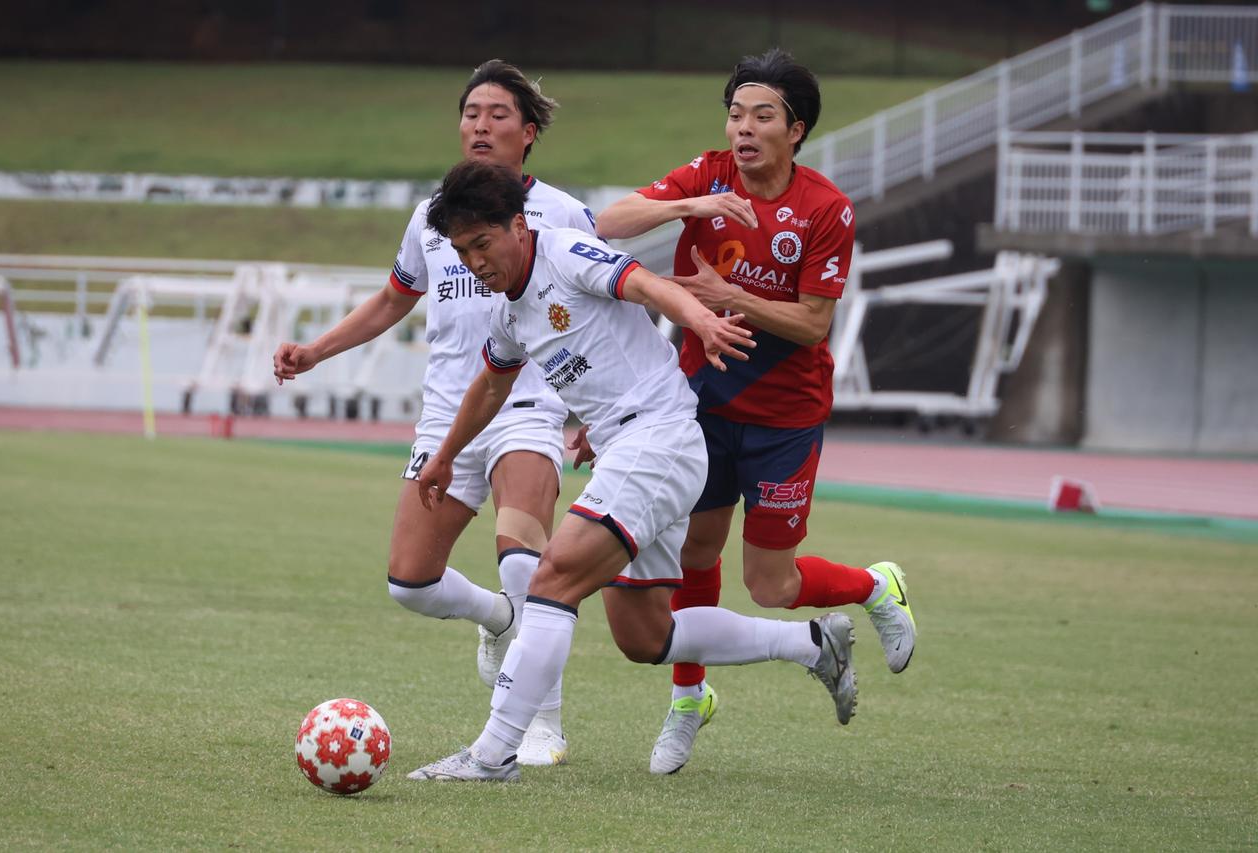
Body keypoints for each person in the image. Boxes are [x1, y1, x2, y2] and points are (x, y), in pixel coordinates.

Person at [404, 159, 859, 783]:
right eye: (463, 251)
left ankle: (493, 753)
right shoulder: (509, 313)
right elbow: (489, 385)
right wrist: (447, 455)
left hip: (661, 439)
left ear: (517, 225)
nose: (477, 261)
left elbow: (644, 284)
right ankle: (813, 645)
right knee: (646, 636)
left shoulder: (564, 253)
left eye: (483, 244)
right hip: (632, 448)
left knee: (553, 576)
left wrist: (701, 319)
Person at [594, 49, 917, 775]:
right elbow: (610, 221)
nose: (743, 127)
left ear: (795, 129)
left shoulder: (826, 209)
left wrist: (727, 295)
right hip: (700, 405)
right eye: (735, 112)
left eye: (761, 115)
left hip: (784, 416)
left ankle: (875, 586)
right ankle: (688, 699)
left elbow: (810, 324)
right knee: (693, 556)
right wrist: (688, 206)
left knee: (771, 585)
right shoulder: (706, 175)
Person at [272, 60, 592, 766]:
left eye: (497, 113)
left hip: (527, 406)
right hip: (448, 418)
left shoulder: (563, 214)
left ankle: (541, 723)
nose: (480, 123)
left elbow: (608, 307)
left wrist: (598, 408)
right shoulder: (431, 217)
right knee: (409, 582)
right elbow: (393, 299)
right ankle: (500, 621)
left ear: (528, 132)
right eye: (470, 111)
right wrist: (316, 351)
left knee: (525, 559)